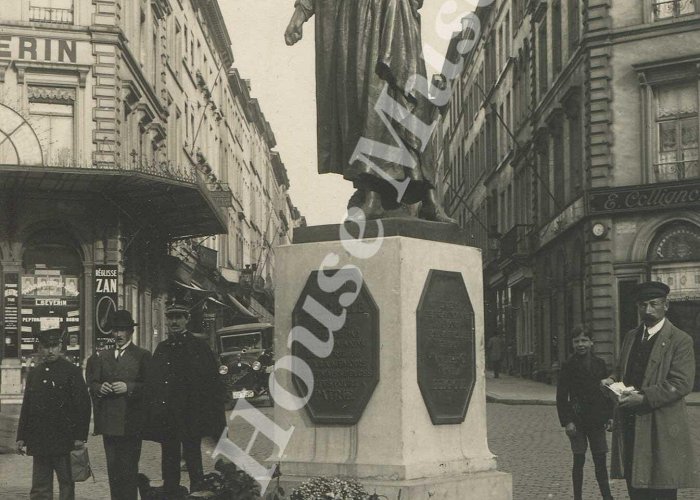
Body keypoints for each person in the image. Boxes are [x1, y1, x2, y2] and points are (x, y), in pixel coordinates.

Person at [284, 0, 454, 222]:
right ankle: (372, 195)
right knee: (367, 103)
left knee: (411, 98)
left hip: (395, 13)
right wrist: (300, 13)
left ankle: (428, 197)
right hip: (354, 19)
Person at [601, 281, 699, 499]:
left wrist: (643, 397)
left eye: (653, 304)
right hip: (630, 425)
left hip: (660, 427)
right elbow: (620, 371)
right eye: (642, 305)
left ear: (666, 305)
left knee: (661, 488)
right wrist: (611, 380)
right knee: (636, 487)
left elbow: (682, 383)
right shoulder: (631, 337)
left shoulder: (680, 340)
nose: (647, 310)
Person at [144, 298, 226, 496]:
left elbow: (211, 384)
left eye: (179, 317)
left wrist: (210, 416)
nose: (174, 322)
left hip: (191, 415)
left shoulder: (199, 347)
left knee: (193, 459)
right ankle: (171, 493)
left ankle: (197, 492)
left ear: (187, 319)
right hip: (169, 417)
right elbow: (153, 382)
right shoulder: (162, 349)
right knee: (169, 461)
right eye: (171, 317)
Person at [16, 328, 91, 500]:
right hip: (39, 439)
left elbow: (83, 405)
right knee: (40, 487)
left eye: (54, 346)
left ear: (60, 347)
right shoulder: (34, 374)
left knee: (66, 485)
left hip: (64, 440)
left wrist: (80, 436)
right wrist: (21, 436)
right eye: (46, 346)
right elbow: (27, 406)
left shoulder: (72, 371)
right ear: (40, 348)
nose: (50, 351)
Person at [86, 310, 151, 500]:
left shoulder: (142, 356)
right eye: (115, 330)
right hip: (109, 424)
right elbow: (92, 382)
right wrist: (99, 388)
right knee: (113, 470)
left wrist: (128, 387)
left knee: (129, 469)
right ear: (111, 332)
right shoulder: (101, 356)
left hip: (131, 423)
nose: (119, 335)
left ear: (131, 332)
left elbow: (150, 386)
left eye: (123, 330)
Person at [556, 325, 614, 500]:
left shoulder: (600, 364)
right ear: (572, 344)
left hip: (597, 420)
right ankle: (578, 497)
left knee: (600, 461)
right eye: (576, 341)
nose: (580, 344)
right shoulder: (567, 366)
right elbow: (561, 396)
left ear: (591, 343)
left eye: (584, 340)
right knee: (578, 460)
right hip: (577, 420)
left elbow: (607, 394)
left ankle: (607, 497)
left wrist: (610, 416)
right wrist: (567, 421)